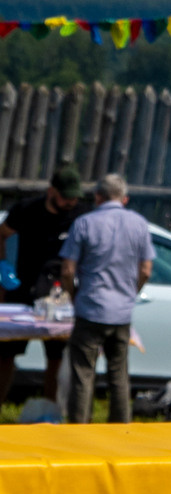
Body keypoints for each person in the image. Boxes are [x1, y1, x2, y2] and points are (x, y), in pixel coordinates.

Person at [58, 171, 152, 425]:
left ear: (98, 196)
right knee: (119, 374)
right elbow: (145, 270)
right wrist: (131, 293)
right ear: (125, 199)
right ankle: (120, 430)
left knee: (83, 374)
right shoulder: (139, 224)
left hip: (90, 308)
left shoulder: (84, 223)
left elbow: (67, 270)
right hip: (121, 313)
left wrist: (73, 295)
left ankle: (79, 429)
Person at [0, 166, 82, 407]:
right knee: (5, 355)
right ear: (51, 191)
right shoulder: (26, 210)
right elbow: (2, 234)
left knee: (56, 357)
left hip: (59, 296)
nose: (70, 202)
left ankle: (51, 412)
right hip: (23, 292)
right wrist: (3, 267)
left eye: (74, 197)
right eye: (65, 197)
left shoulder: (80, 216)